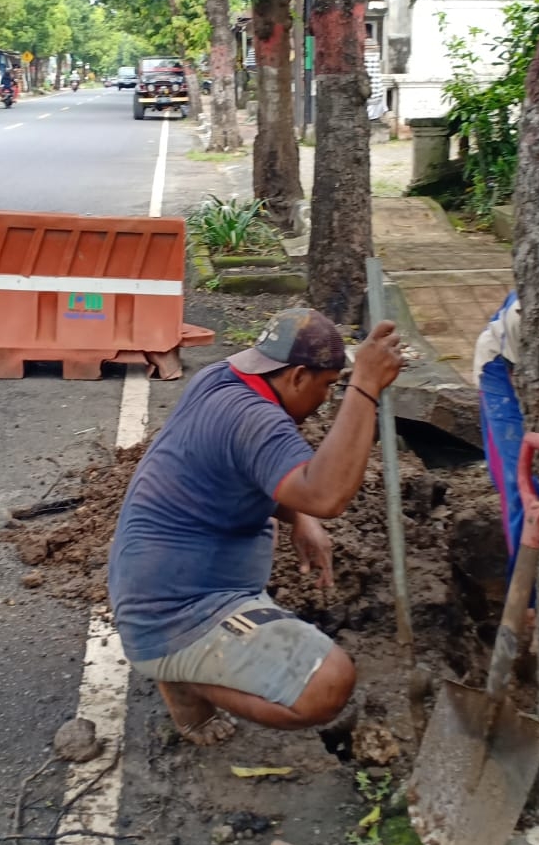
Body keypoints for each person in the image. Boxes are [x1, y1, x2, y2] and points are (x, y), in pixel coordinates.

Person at [108, 307, 404, 745]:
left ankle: (182, 660)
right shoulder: (253, 418)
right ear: (298, 376)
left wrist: (299, 519)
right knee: (327, 684)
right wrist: (365, 384)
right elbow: (326, 495)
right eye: (326, 387)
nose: (325, 401)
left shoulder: (220, 380)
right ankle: (180, 675)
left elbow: (256, 474)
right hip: (175, 613)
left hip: (156, 585)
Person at [473, 291, 526, 577]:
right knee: (520, 482)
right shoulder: (523, 314)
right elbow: (520, 380)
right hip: (500, 368)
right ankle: (526, 602)